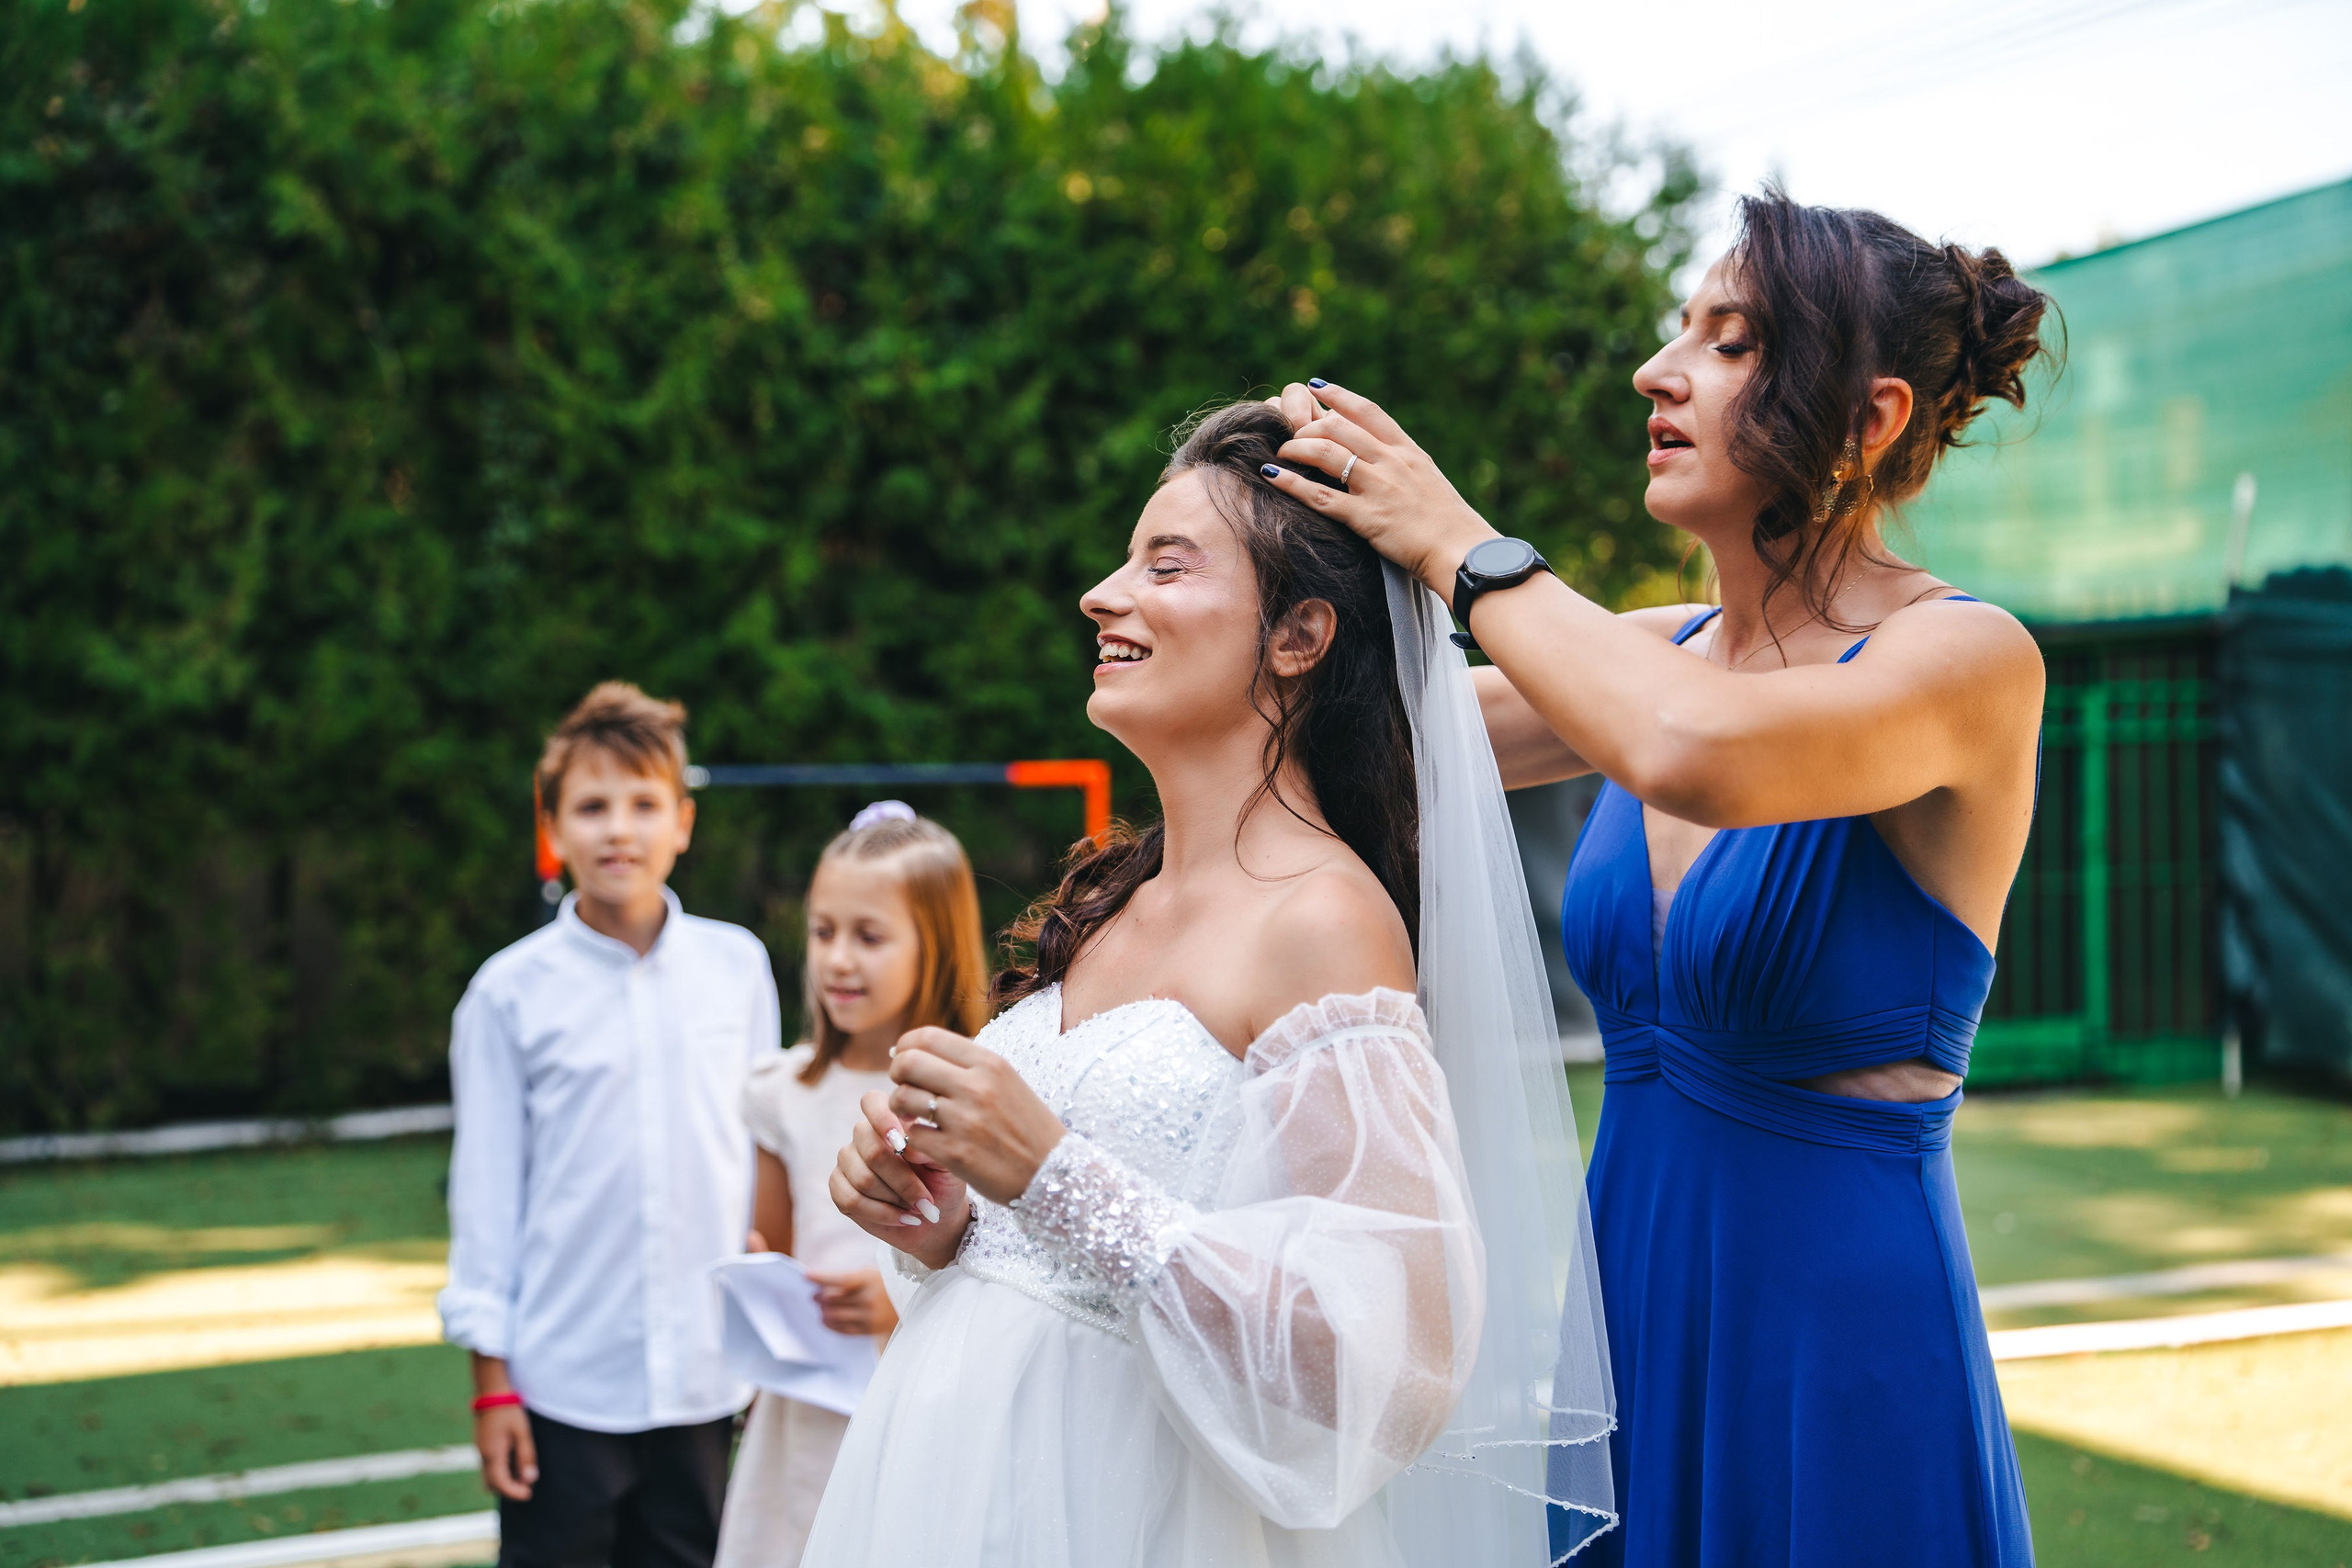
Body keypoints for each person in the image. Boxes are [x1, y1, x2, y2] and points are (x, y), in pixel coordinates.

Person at [1261, 189, 2052, 1564]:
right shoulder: (1651, 655)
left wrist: (1461, 542)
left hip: (1841, 1336)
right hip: (1628, 1303)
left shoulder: (1969, 662)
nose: (1658, 368)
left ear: (1866, 422)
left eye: (1732, 342)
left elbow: (1691, 750)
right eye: (1681, 328)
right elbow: (1363, 749)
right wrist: (1213, 572)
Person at [797, 400, 1618, 1566]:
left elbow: (1399, 1352)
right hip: (950, 1496)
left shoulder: (1322, 922)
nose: (1100, 593)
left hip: (1146, 1519)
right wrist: (947, 1226)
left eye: (1163, 565)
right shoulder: (1113, 899)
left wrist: (1052, 1171)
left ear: (1298, 637)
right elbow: (1059, 1262)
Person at [438, 682, 784, 1568]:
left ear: (683, 822)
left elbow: (760, 1160)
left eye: (643, 804)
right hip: (564, 1385)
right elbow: (485, 1198)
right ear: (552, 826)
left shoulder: (737, 966)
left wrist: (766, 1339)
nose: (618, 829)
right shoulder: (507, 993)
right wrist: (493, 1390)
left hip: (707, 1378)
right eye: (591, 807)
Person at [712, 801, 990, 1568]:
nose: (837, 958)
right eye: (824, 930)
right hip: (807, 1408)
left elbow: (995, 1254)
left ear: (933, 946)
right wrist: (762, 1281)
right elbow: (776, 1242)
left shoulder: (971, 1089)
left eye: (869, 936)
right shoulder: (780, 1088)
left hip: (925, 1399)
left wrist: (892, 1298)